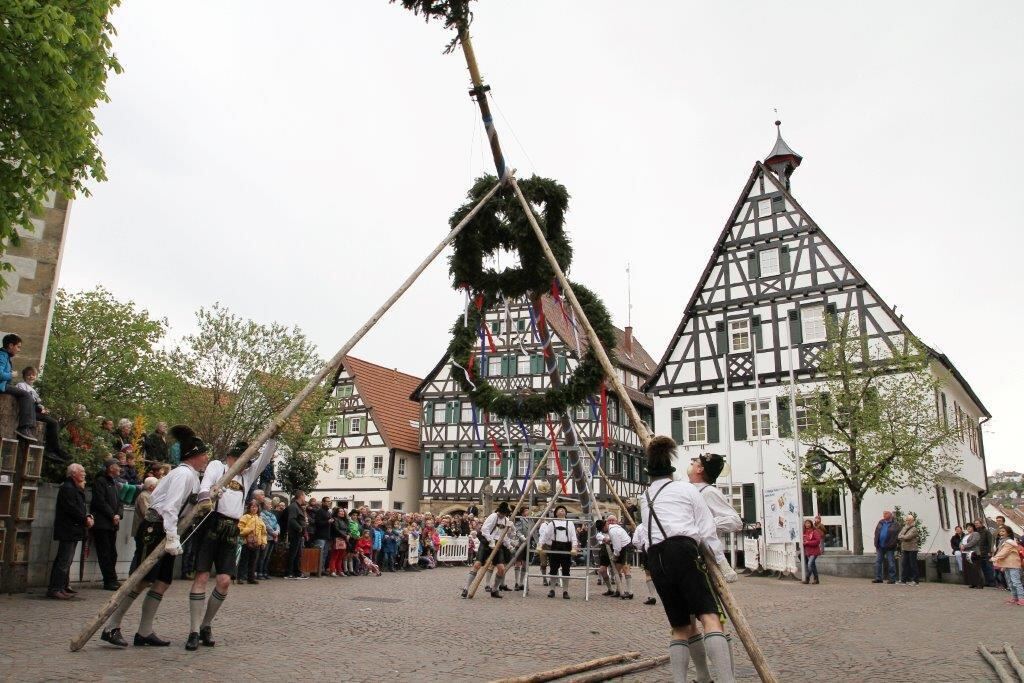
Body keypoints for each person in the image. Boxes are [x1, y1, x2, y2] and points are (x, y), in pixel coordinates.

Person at [99, 425, 210, 649]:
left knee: (162, 582)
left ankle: (144, 631)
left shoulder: (192, 477)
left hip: (167, 528)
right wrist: (171, 536)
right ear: (194, 456)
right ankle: (111, 626)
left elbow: (187, 507)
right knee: (142, 579)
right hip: (156, 528)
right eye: (204, 454)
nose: (207, 458)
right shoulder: (183, 475)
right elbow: (169, 508)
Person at [640, 436, 734, 683]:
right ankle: (727, 681)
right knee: (710, 617)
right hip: (681, 551)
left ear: (649, 472)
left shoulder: (644, 497)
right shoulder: (686, 489)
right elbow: (706, 530)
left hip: (655, 559)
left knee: (681, 627)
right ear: (671, 469)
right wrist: (722, 564)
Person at [186, 439, 277, 651]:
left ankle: (206, 624)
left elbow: (263, 460)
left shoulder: (247, 476)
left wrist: (274, 438)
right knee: (201, 576)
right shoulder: (218, 466)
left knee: (225, 580)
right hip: (211, 522)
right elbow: (205, 486)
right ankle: (193, 630)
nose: (243, 464)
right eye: (239, 459)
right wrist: (207, 495)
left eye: (246, 461)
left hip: (232, 527)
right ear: (230, 457)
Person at [687, 453, 742, 582]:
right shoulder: (686, 488)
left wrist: (707, 523)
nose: (691, 463)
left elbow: (735, 521)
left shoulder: (709, 492)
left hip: (702, 559)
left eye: (695, 461)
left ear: (700, 469)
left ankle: (724, 565)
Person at [47, 463, 93, 599]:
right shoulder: (68, 488)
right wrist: (85, 519)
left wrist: (86, 516)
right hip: (68, 529)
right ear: (74, 473)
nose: (84, 474)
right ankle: (56, 588)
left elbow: (79, 508)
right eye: (82, 471)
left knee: (66, 560)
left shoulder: (74, 488)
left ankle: (62, 586)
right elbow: (72, 509)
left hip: (72, 529)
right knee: (63, 561)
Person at [462, 501, 512, 598]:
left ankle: (494, 589)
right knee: (477, 565)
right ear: (499, 511)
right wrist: (490, 541)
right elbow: (485, 529)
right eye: (502, 513)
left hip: (498, 545)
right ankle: (466, 588)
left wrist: (508, 545)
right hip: (486, 543)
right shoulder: (493, 516)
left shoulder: (506, 520)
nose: (502, 514)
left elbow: (504, 535)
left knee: (501, 569)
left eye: (504, 513)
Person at [15, 367, 66, 461]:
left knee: (54, 422)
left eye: (33, 375)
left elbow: (37, 402)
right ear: (24, 376)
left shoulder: (34, 390)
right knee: (53, 423)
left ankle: (54, 449)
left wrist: (42, 408)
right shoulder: (21, 385)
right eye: (29, 375)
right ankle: (52, 450)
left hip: (34, 411)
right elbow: (28, 400)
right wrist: (39, 408)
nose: (31, 377)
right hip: (26, 413)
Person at [90, 458, 122, 590]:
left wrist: (119, 514)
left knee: (112, 553)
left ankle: (112, 578)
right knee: (105, 553)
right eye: (117, 466)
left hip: (112, 524)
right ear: (110, 468)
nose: (120, 469)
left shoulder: (115, 483)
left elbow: (120, 502)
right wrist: (111, 515)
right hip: (102, 523)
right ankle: (108, 580)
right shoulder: (100, 482)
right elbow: (100, 501)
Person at [0, 334, 38, 442]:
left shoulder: (5, 356)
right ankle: (23, 428)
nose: (19, 350)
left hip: (3, 385)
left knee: (29, 396)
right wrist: (11, 375)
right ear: (11, 345)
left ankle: (29, 428)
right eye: (18, 347)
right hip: (1, 387)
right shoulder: (2, 355)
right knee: (25, 395)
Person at [539, 504, 578, 599]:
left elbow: (573, 536)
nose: (562, 511)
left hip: (566, 547)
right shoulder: (552, 523)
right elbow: (546, 535)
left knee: (566, 570)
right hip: (555, 546)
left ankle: (565, 591)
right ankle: (552, 590)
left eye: (563, 510)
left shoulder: (570, 523)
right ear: (556, 513)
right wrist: (540, 545)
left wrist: (574, 547)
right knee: (553, 569)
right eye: (560, 510)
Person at [129, 477, 159, 572]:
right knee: (140, 552)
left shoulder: (151, 495)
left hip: (148, 529)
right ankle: (133, 574)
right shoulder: (144, 496)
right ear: (151, 487)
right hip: (142, 529)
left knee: (143, 552)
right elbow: (147, 513)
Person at [236, 499, 267, 585]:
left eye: (256, 507)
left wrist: (263, 542)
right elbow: (240, 529)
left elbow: (264, 533)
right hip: (246, 542)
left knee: (253, 561)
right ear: (249, 508)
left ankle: (251, 578)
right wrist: (249, 529)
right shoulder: (245, 517)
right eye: (252, 507)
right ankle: (240, 577)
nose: (254, 508)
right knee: (244, 560)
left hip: (256, 543)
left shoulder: (260, 519)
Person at [992, 526, 1023, 606]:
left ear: (1008, 533)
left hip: (1013, 564)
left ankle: (1021, 599)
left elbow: (1004, 552)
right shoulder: (1002, 541)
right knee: (1010, 582)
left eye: (1003, 531)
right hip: (1007, 564)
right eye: (1000, 531)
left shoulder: (1009, 542)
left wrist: (995, 558)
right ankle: (1014, 598)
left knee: (1016, 582)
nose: (1001, 533)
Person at [606, 515, 634, 600]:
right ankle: (619, 590)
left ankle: (630, 592)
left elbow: (617, 547)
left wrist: (614, 556)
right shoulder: (613, 529)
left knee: (625, 568)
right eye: (609, 521)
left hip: (626, 547)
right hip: (622, 549)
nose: (611, 522)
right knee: (617, 570)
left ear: (616, 521)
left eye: (612, 520)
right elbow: (614, 541)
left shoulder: (613, 530)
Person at [631, 521, 657, 605]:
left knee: (648, 574)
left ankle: (652, 596)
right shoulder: (656, 523)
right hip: (659, 547)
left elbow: (634, 541)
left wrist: (642, 548)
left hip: (646, 548)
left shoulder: (640, 527)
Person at [285, 491, 309, 579]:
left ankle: (297, 572)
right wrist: (300, 528)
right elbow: (292, 520)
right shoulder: (294, 506)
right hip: (295, 533)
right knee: (293, 553)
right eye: (304, 496)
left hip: (299, 534)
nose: (305, 499)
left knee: (297, 554)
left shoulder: (298, 507)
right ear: (301, 496)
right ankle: (289, 572)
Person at [872, 511, 900, 584]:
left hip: (889, 547)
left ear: (890, 515)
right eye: (883, 514)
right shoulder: (881, 522)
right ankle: (878, 578)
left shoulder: (895, 524)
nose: (884, 515)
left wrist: (892, 543)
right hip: (880, 546)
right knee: (878, 562)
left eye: (886, 514)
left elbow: (896, 535)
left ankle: (892, 578)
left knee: (891, 562)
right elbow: (876, 532)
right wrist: (876, 541)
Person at [257, 499, 280, 580]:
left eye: (271, 504)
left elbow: (277, 524)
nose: (271, 505)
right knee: (263, 556)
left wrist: (277, 532)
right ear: (264, 505)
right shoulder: (262, 515)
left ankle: (265, 572)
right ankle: (260, 573)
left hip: (273, 537)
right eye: (269, 504)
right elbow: (266, 525)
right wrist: (274, 533)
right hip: (266, 537)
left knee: (268, 557)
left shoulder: (272, 515)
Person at [960, 523, 984, 589]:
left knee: (976, 568)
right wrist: (961, 546)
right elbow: (961, 542)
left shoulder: (976, 534)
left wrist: (965, 546)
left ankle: (980, 584)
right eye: (967, 527)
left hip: (974, 553)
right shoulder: (966, 535)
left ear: (973, 528)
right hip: (966, 553)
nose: (968, 528)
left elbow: (974, 542)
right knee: (970, 569)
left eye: (970, 527)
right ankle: (973, 583)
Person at [312, 496, 333, 574]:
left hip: (327, 536)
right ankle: (315, 570)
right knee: (319, 554)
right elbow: (317, 523)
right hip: (320, 536)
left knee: (325, 554)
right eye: (327, 501)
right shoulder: (320, 511)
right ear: (323, 502)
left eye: (329, 501)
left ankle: (322, 569)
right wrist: (328, 522)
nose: (329, 503)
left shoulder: (328, 512)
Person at [897, 515, 920, 585]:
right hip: (905, 548)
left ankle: (915, 581)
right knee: (904, 564)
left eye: (908, 520)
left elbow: (908, 537)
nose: (906, 521)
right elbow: (899, 536)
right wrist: (902, 536)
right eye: (906, 520)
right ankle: (903, 580)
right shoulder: (905, 527)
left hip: (912, 549)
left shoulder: (914, 529)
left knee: (913, 564)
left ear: (912, 521)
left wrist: (902, 537)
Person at [975, 518, 997, 587]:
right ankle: (987, 581)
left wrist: (990, 551)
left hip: (986, 552)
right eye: (975, 524)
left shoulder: (986, 531)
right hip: (979, 553)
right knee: (983, 567)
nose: (976, 525)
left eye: (977, 523)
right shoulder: (976, 532)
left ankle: (992, 582)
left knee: (989, 567)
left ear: (981, 524)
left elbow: (991, 542)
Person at [327, 506, 348, 576]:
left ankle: (339, 570)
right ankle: (332, 570)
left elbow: (346, 530)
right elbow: (336, 529)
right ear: (337, 512)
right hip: (336, 539)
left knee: (341, 556)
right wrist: (345, 535)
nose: (342, 513)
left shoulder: (344, 520)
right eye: (340, 511)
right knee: (335, 555)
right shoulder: (334, 519)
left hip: (343, 539)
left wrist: (348, 534)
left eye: (343, 511)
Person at [802, 519, 822, 585]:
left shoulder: (814, 531)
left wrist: (808, 542)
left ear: (811, 524)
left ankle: (807, 578)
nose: (807, 525)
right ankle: (816, 579)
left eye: (808, 523)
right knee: (813, 566)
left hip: (814, 551)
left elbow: (817, 541)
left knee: (810, 564)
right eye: (806, 523)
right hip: (808, 551)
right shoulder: (804, 532)